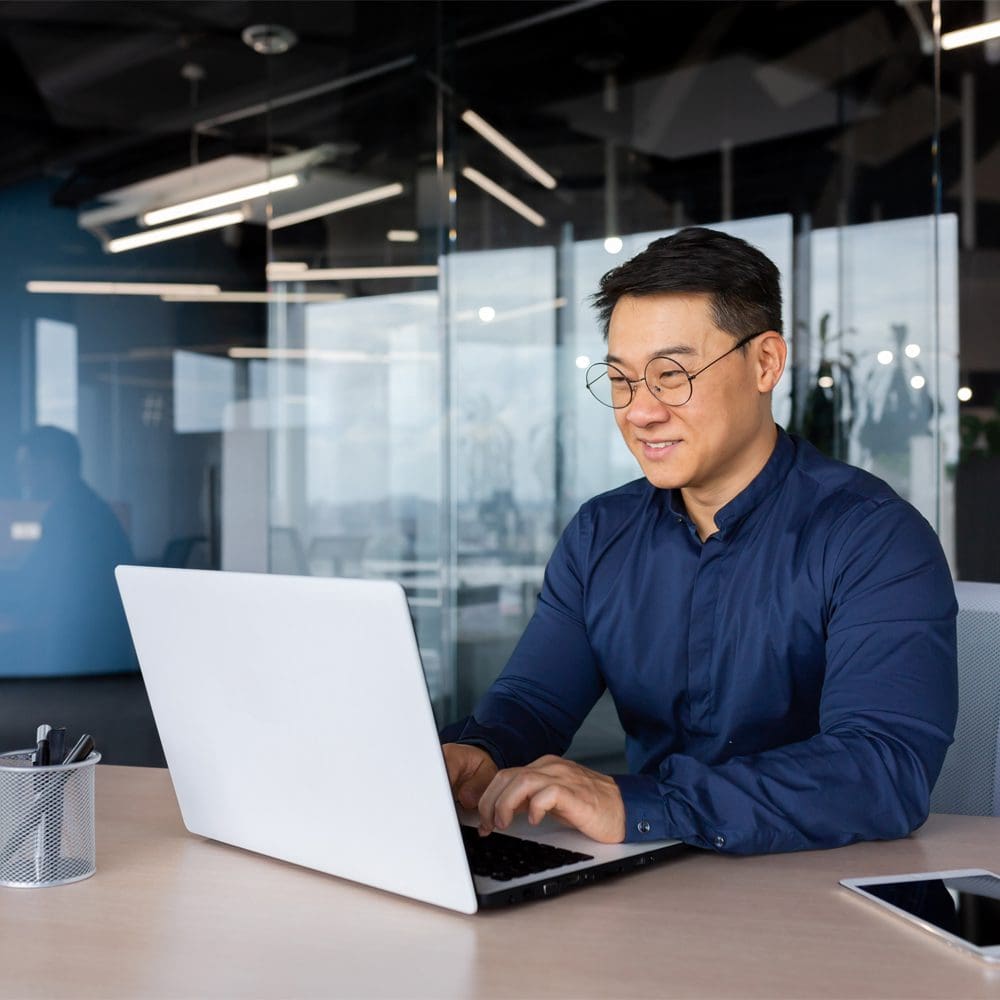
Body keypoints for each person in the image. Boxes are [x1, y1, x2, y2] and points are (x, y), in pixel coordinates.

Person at [443, 227, 958, 855]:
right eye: (621, 379)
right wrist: (480, 750)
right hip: (645, 880)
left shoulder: (873, 537)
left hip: (814, 893)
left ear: (765, 362)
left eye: (671, 375)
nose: (640, 411)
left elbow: (882, 769)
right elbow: (533, 699)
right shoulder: (601, 533)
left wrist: (643, 804)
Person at [0, 425, 136, 675]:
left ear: (50, 465)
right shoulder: (85, 506)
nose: (22, 476)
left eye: (26, 466)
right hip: (98, 649)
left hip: (82, 658)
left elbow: (33, 590)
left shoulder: (70, 515)